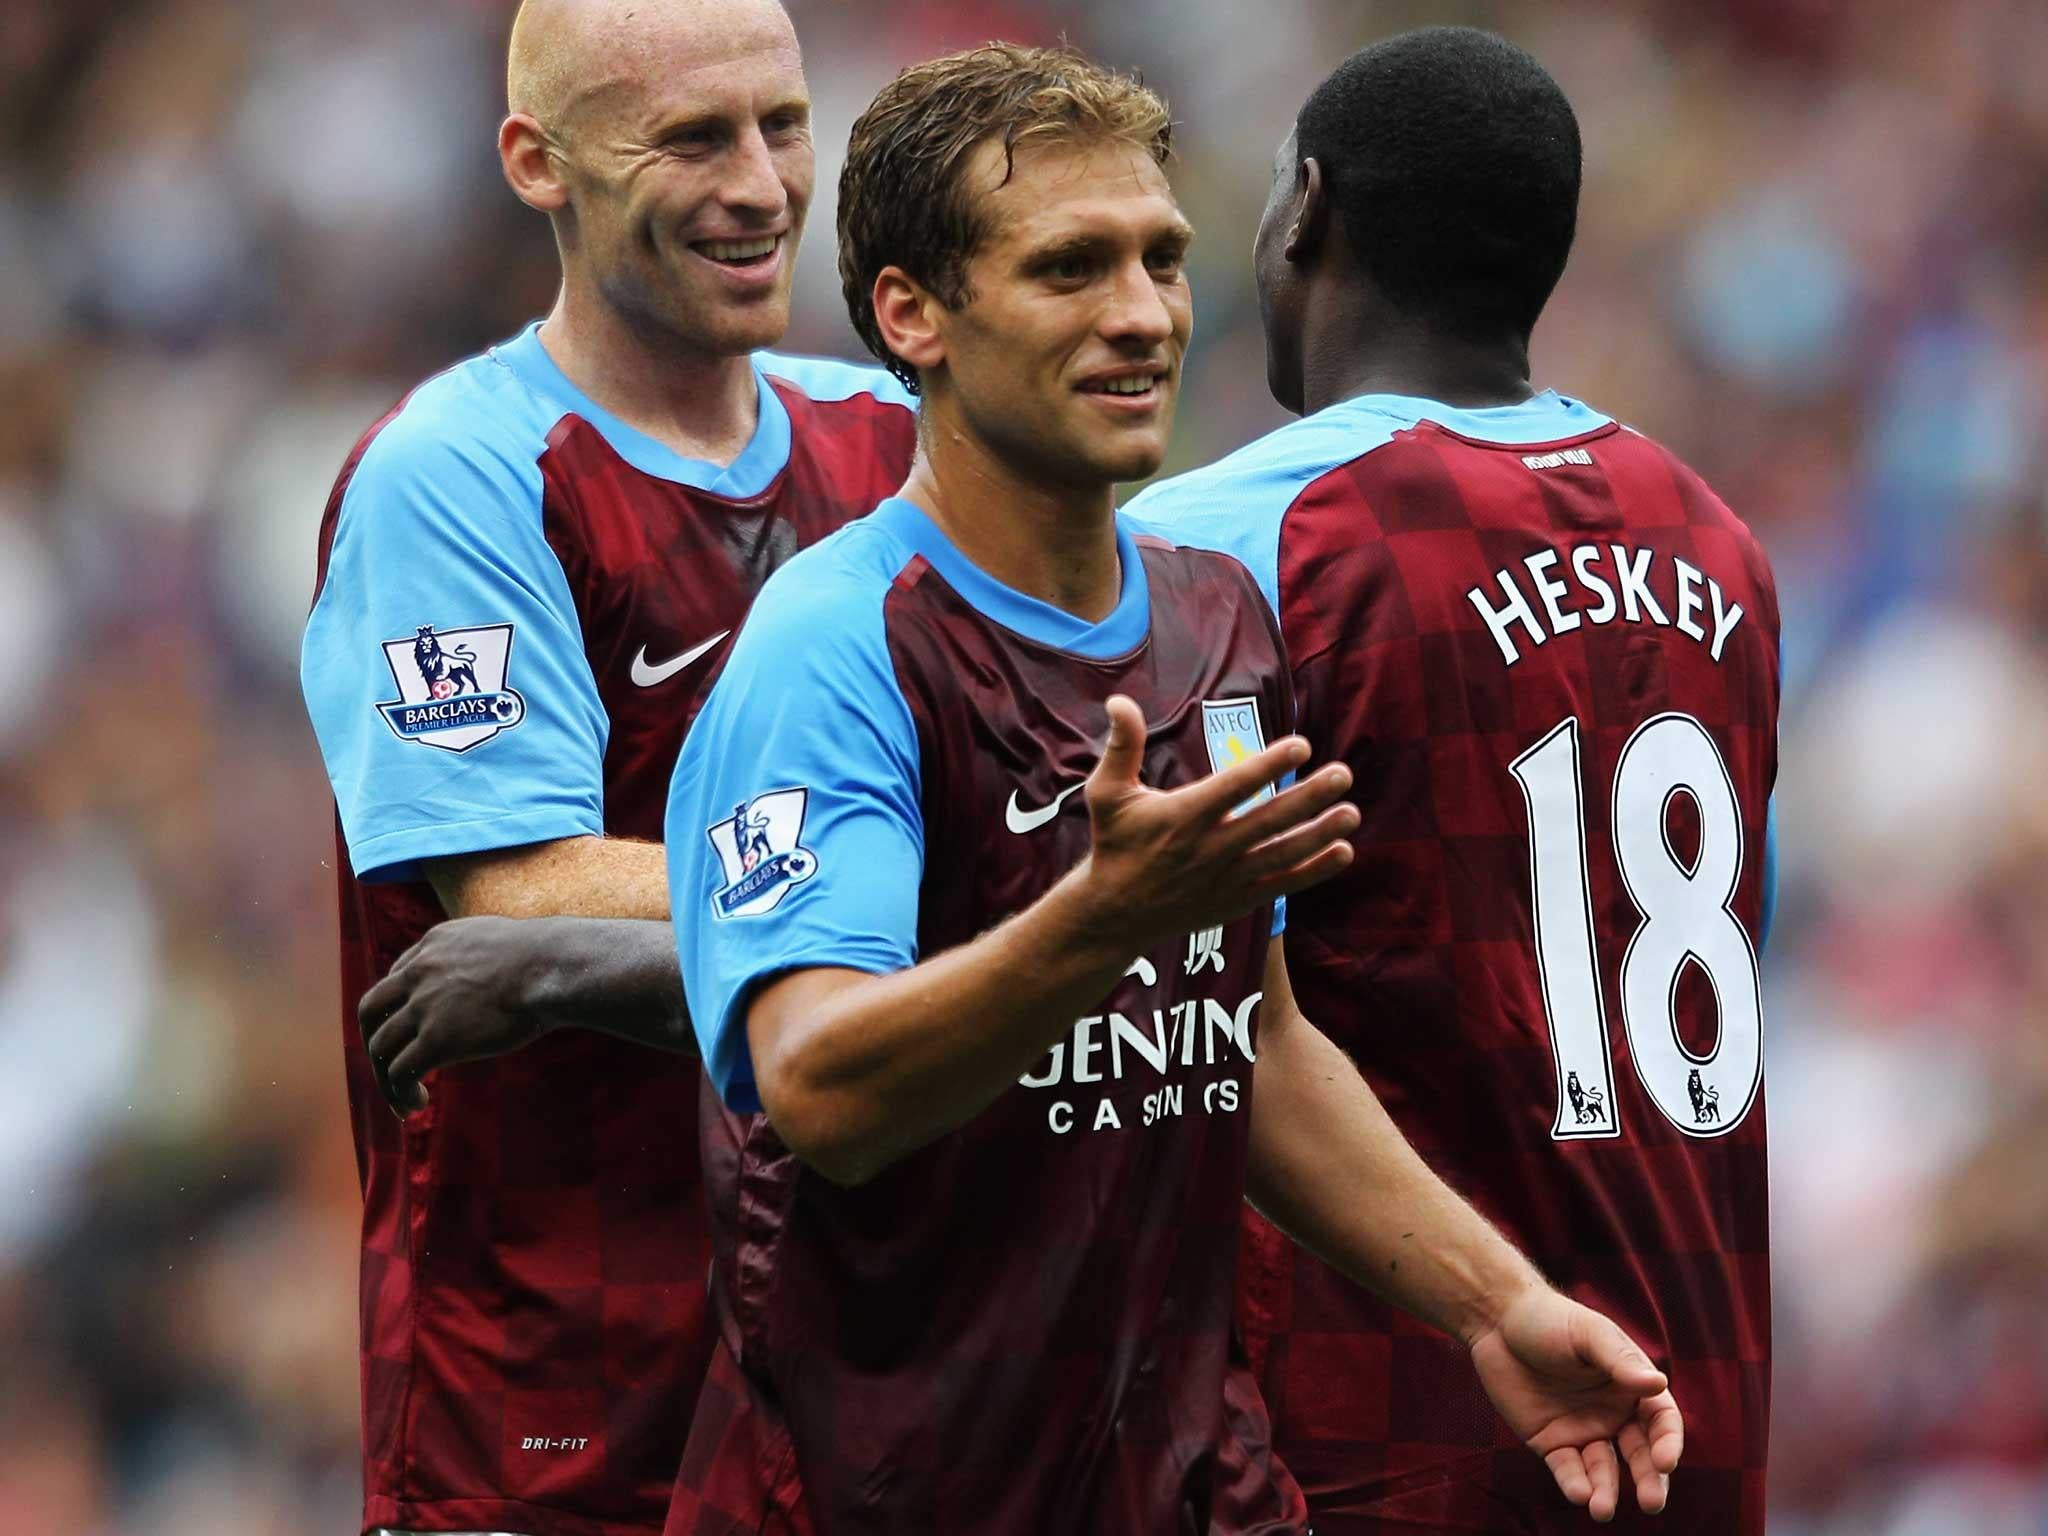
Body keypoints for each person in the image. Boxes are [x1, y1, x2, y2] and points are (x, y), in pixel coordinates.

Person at [659, 43, 1681, 1536]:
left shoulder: (1218, 617)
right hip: (889, 1488)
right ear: (911, 315)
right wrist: (1102, 922)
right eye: (1070, 268)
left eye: (1161, 259)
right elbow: (821, 1089)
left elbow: (1247, 1030)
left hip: (1200, 1490)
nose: (1140, 315)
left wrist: (1492, 1305)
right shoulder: (835, 645)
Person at [1125, 27, 1780, 1535]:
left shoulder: (1229, 538)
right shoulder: (1719, 544)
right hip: (1702, 1409)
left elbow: (1214, 1008)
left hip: (1392, 1418)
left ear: (1307, 211)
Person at [297, 0, 917, 1529]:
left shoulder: (894, 439)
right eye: (694, 139)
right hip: (560, 1393)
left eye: (781, 125)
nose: (765, 184)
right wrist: (944, 899)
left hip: (858, 1365)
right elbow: (522, 890)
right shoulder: (459, 474)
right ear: (538, 162)